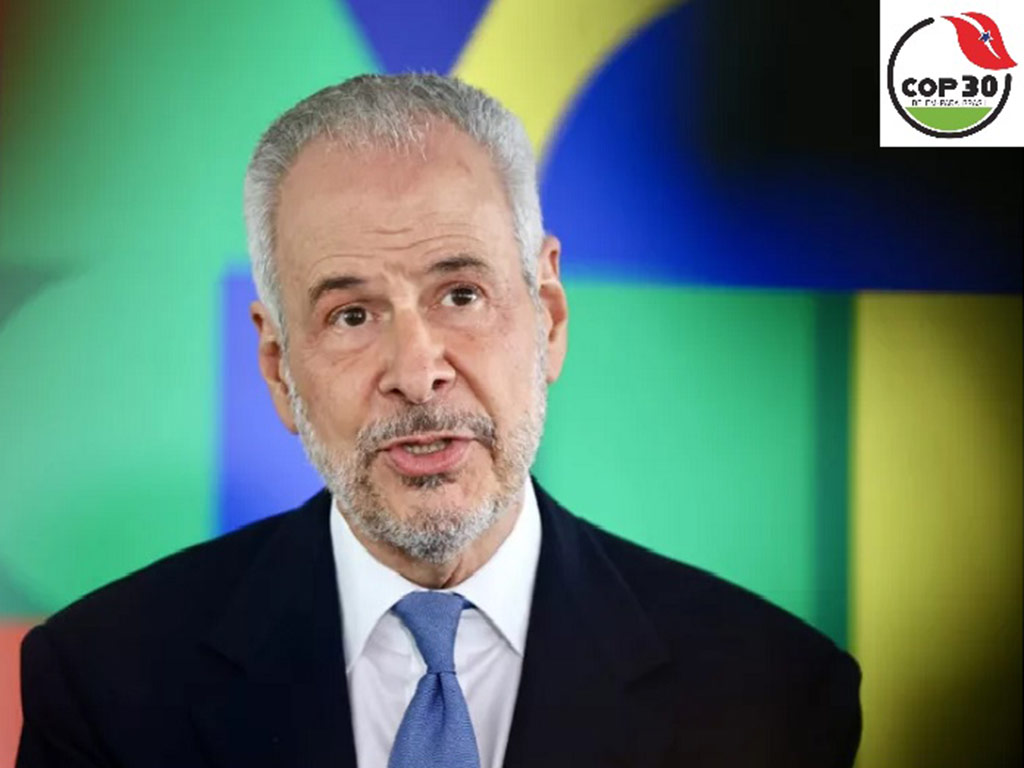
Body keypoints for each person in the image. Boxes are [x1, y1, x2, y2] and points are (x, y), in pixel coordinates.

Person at [17, 74, 861, 767]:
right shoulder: (104, 686)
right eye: (351, 315)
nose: (418, 373)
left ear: (549, 316)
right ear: (277, 365)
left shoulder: (774, 695)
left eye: (461, 295)